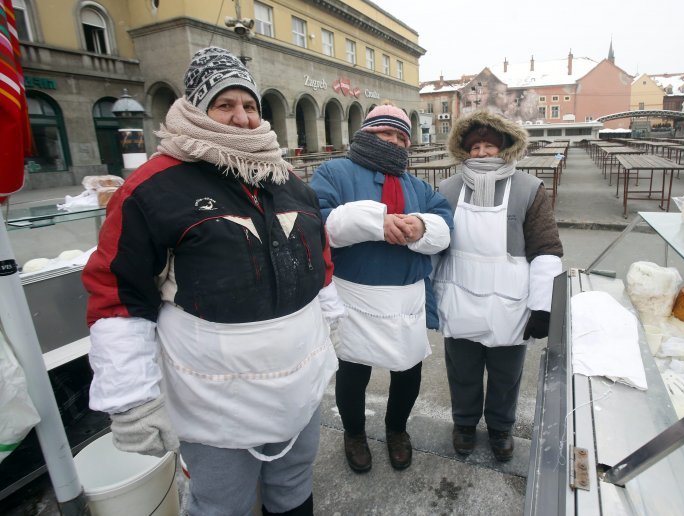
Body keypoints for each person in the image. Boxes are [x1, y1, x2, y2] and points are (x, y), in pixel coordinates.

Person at [81, 47, 343, 516]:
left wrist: (332, 325)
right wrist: (132, 399)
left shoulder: (289, 181)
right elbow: (118, 295)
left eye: (249, 105)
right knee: (223, 503)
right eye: (225, 104)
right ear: (196, 108)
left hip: (298, 382)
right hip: (215, 394)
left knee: (293, 484)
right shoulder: (152, 187)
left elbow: (320, 265)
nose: (241, 117)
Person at [310, 104, 453, 473]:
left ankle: (396, 431)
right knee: (352, 371)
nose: (393, 142)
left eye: (400, 137)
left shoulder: (417, 185)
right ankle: (354, 433)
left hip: (406, 298)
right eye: (384, 133)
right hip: (355, 296)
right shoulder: (334, 172)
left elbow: (445, 221)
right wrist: (375, 222)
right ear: (366, 133)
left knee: (408, 371)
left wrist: (422, 227)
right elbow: (315, 223)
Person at [432, 111, 563, 462]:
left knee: (506, 375)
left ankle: (501, 427)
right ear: (464, 150)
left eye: (489, 145)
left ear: (504, 148)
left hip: (511, 302)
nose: (482, 152)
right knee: (463, 372)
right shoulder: (447, 189)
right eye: (475, 146)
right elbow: (434, 245)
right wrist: (424, 295)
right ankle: (464, 424)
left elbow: (546, 249)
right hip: (459, 295)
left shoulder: (528, 189)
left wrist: (543, 306)